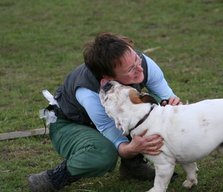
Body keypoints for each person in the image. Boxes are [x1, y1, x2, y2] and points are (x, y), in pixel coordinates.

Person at [28, 32, 181, 192]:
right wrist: (130, 149)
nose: (139, 68)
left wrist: (172, 105)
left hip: (104, 119)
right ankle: (54, 177)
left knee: (158, 110)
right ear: (108, 77)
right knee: (104, 153)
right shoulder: (88, 93)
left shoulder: (142, 63)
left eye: (136, 58)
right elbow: (114, 136)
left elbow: (167, 99)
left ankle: (133, 167)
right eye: (130, 69)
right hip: (69, 123)